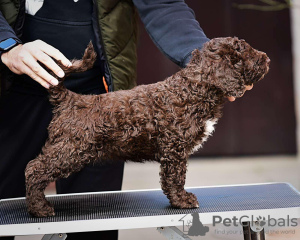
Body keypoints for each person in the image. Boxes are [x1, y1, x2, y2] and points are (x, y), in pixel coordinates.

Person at [0, 1, 253, 239]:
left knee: (96, 226)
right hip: (11, 87)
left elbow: (163, 4)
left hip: (103, 94)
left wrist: (206, 61)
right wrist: (7, 44)